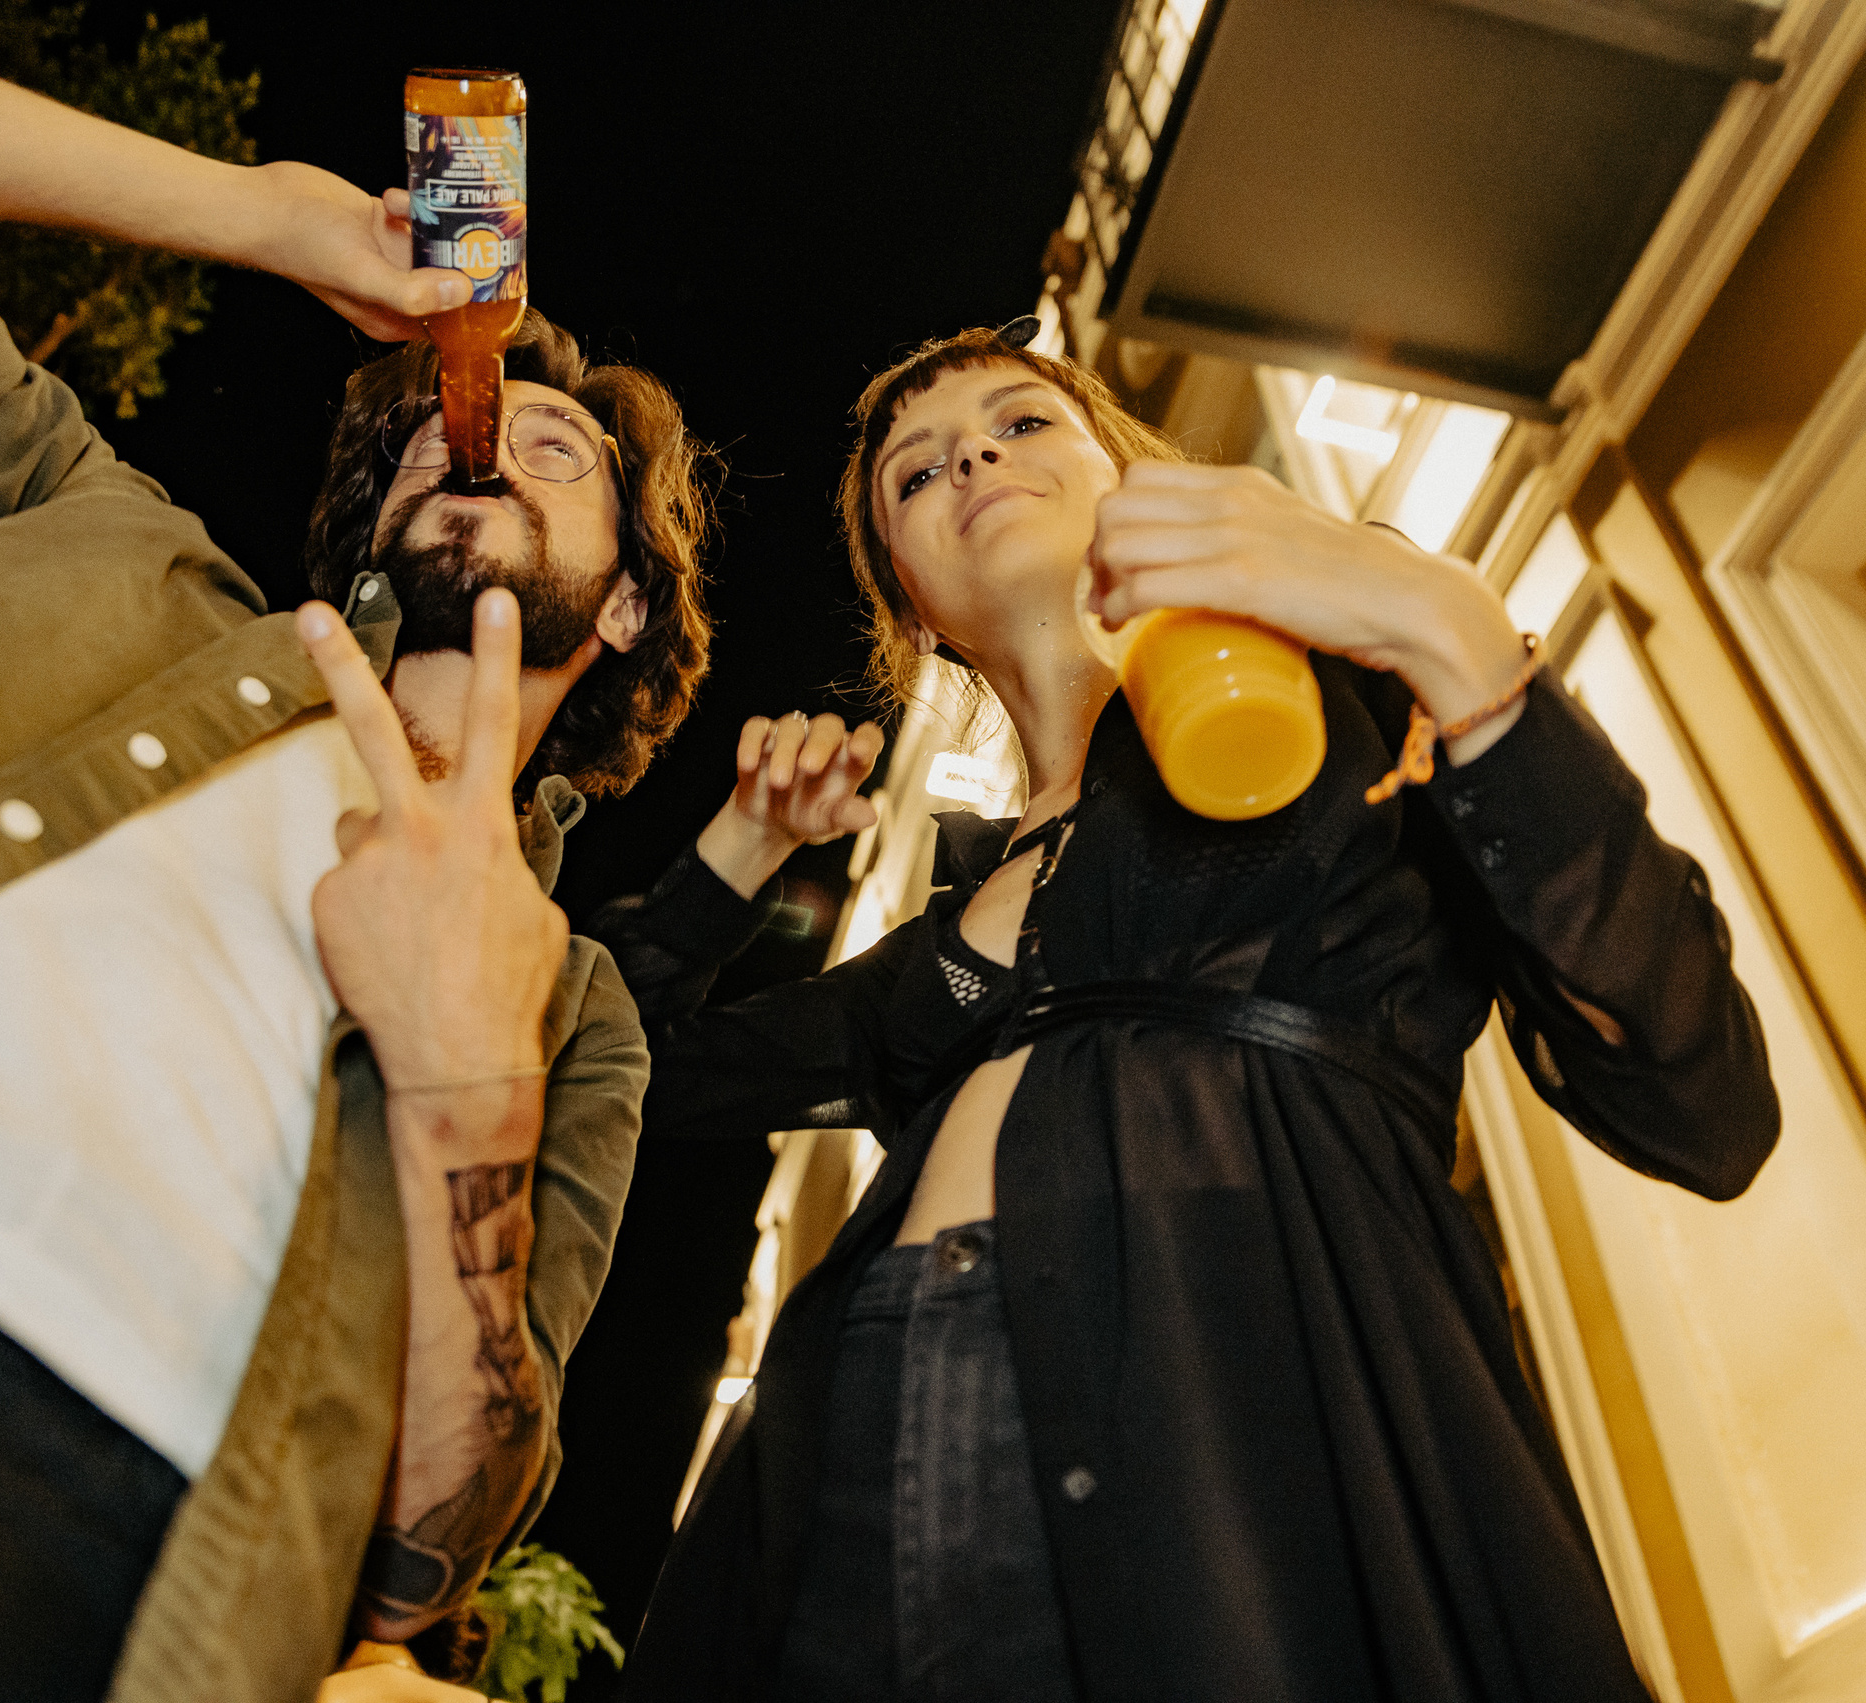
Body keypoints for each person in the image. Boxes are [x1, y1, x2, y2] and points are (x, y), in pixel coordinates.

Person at [0, 3, 710, 1698]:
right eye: (454, 429)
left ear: (625, 600)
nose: (484, 436)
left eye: (570, 450)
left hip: (60, 1525)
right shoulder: (109, 546)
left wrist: (473, 1078)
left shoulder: (579, 1017)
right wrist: (268, 216)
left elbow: (435, 1537)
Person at [588, 322, 1780, 1701]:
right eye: (915, 473)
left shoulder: (1353, 704)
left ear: (1126, 466)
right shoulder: (936, 947)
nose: (971, 453)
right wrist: (738, 854)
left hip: (1249, 1434)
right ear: (911, 609)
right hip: (860, 1436)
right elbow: (617, 1065)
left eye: (1022, 423)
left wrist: (1445, 631)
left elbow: (1704, 1103)